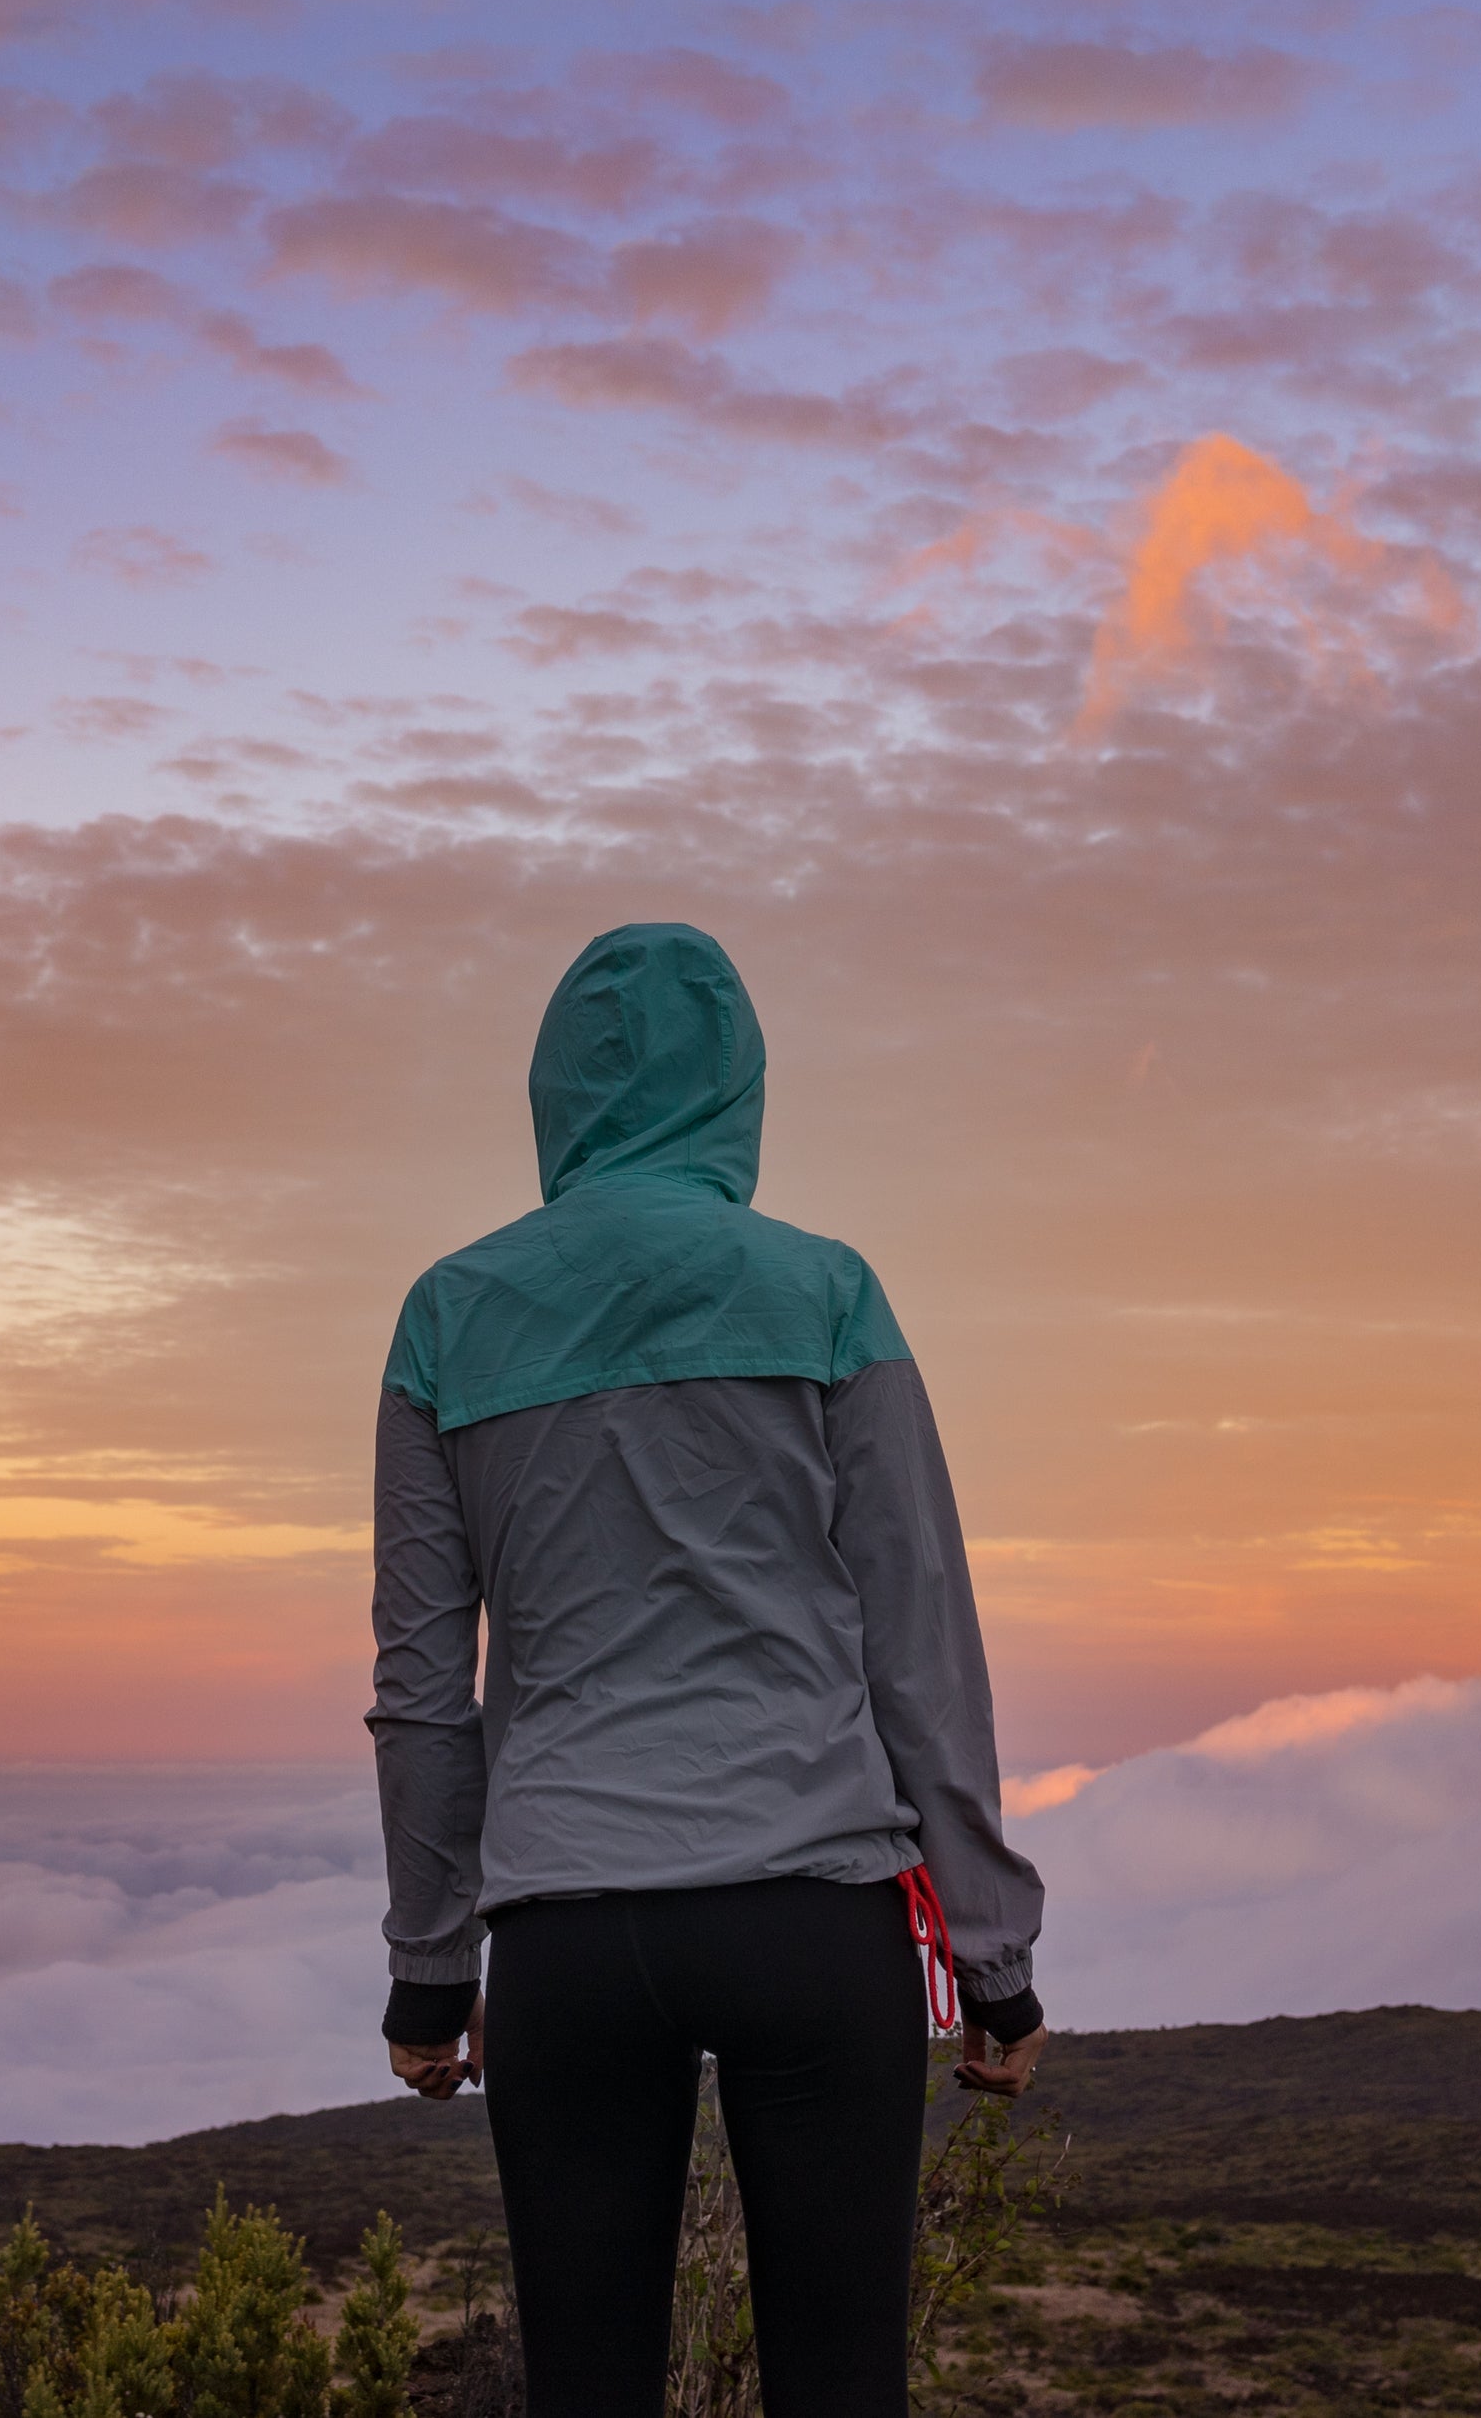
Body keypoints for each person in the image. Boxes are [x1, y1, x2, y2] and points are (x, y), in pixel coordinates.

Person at [366, 922, 1048, 2418]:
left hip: (566, 1938)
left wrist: (433, 1968)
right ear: (741, 1087)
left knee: (588, 2392)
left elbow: (422, 1685)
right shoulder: (826, 1297)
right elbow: (922, 1644)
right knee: (841, 2386)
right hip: (815, 1920)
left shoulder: (447, 1317)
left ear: (555, 1092)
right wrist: (993, 1962)